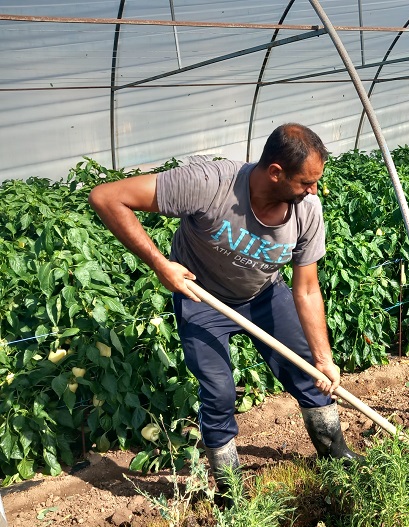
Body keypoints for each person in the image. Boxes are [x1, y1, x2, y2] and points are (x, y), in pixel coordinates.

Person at [89, 123, 361, 498]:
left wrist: (324, 358)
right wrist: (159, 263)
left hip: (264, 294)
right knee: (218, 392)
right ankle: (229, 491)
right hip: (202, 298)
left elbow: (308, 288)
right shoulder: (210, 183)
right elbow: (106, 196)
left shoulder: (307, 212)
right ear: (275, 172)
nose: (313, 191)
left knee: (308, 371)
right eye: (305, 182)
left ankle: (336, 456)